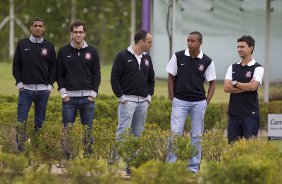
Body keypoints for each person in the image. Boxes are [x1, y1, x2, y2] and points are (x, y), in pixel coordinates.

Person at [165, 31, 216, 173]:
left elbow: (213, 83)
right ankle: (170, 167)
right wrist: (172, 96)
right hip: (179, 101)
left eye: (192, 41)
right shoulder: (178, 56)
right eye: (188, 40)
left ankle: (193, 168)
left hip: (199, 103)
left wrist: (207, 101)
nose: (189, 43)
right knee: (175, 133)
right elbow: (170, 76)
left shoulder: (207, 61)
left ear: (200, 43)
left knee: (197, 135)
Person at [110, 30, 155, 176]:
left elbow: (151, 80)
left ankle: (132, 166)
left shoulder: (147, 58)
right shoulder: (122, 56)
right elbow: (114, 78)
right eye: (149, 42)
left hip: (143, 102)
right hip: (127, 101)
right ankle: (114, 164)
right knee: (122, 132)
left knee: (138, 134)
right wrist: (122, 97)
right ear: (141, 42)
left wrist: (148, 97)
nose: (151, 45)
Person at [56, 20, 101, 157]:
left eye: (80, 32)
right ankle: (66, 156)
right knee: (67, 129)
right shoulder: (63, 51)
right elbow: (59, 74)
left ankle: (88, 156)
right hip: (69, 99)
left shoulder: (92, 51)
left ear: (85, 33)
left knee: (87, 129)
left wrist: (93, 94)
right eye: (75, 32)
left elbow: (97, 74)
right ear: (71, 34)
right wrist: (64, 94)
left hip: (88, 98)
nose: (78, 34)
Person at [12, 17, 56, 152]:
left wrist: (49, 87)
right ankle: (21, 150)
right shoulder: (22, 44)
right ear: (31, 28)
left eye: (40, 26)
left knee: (39, 123)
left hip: (43, 91)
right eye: (35, 25)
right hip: (25, 90)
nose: (38, 28)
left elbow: (54, 67)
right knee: (21, 121)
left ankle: (36, 150)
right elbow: (16, 66)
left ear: (44, 28)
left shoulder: (49, 46)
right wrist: (20, 84)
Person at [224, 35, 264, 144]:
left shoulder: (258, 68)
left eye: (242, 47)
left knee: (249, 148)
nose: (239, 49)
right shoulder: (232, 67)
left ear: (251, 48)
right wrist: (246, 87)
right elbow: (226, 88)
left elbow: (253, 86)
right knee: (232, 147)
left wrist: (235, 83)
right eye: (238, 47)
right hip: (234, 114)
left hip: (250, 115)